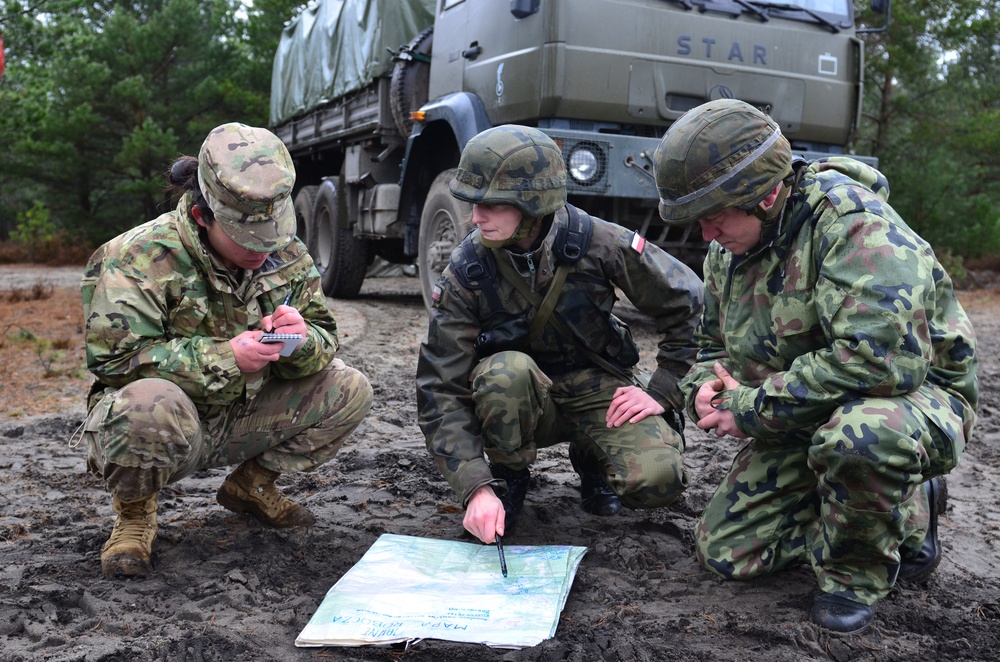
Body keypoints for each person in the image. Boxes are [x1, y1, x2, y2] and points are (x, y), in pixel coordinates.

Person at [652, 99, 979, 634]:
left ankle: (856, 573)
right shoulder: (727, 250)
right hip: (804, 408)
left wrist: (751, 408)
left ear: (766, 194)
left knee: (861, 438)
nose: (706, 235)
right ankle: (873, 506)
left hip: (910, 398)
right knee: (727, 555)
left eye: (714, 217)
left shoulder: (855, 228)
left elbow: (876, 362)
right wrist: (702, 391)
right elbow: (706, 344)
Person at [80, 122, 373, 576]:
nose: (264, 249)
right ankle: (134, 515)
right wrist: (225, 357)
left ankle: (252, 486)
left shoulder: (285, 250)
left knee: (350, 387)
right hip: (169, 424)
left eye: (272, 234)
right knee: (144, 406)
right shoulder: (138, 256)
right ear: (202, 216)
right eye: (247, 238)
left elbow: (324, 335)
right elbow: (116, 362)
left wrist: (299, 341)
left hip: (247, 412)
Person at [416, 125, 704, 547]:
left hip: (598, 388)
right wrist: (475, 484)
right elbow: (440, 385)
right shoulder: (467, 269)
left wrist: (662, 391)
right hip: (517, 398)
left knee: (659, 481)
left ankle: (593, 460)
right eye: (473, 203)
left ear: (533, 203)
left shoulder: (598, 242)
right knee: (505, 372)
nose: (475, 217)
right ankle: (509, 476)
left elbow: (690, 302)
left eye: (492, 205)